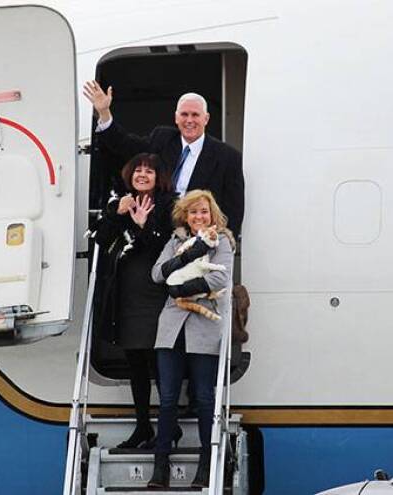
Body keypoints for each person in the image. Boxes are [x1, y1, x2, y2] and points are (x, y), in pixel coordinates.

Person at [147, 190, 235, 488]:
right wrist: (184, 258)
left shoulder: (221, 241)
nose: (199, 217)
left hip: (203, 326)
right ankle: (161, 467)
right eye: (194, 212)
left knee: (204, 398)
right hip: (172, 328)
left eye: (204, 212)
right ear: (185, 216)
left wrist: (181, 289)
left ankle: (206, 466)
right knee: (168, 398)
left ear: (213, 215)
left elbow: (220, 278)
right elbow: (157, 274)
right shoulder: (175, 241)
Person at [90, 153, 177, 449]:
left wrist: (143, 225)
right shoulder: (121, 203)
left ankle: (170, 426)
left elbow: (167, 251)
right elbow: (100, 240)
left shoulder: (169, 205)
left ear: (158, 177)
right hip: (126, 294)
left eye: (149, 171)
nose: (142, 175)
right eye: (137, 170)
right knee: (135, 363)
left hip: (156, 292)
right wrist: (118, 214)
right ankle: (143, 427)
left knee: (161, 361)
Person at [82, 80, 245, 237]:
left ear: (206, 119)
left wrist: (221, 246)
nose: (189, 120)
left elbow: (234, 211)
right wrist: (104, 112)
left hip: (198, 241)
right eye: (184, 114)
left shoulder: (228, 157)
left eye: (195, 115)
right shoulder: (162, 138)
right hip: (155, 234)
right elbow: (124, 144)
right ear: (176, 118)